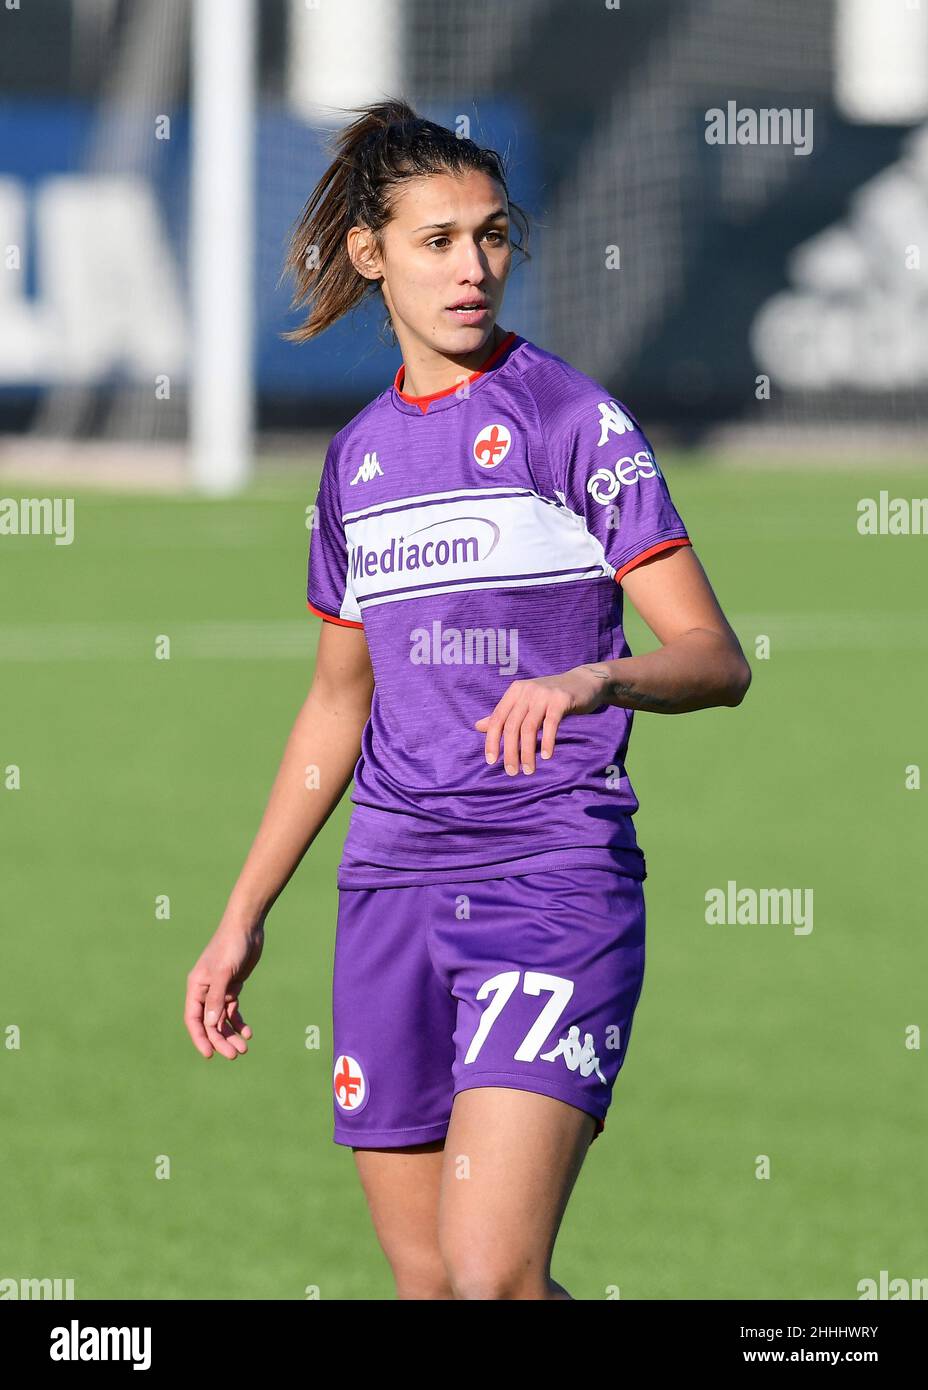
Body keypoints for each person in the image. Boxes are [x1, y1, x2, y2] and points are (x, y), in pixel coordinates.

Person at [184, 99, 752, 1301]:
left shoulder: (569, 419)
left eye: (491, 236)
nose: (473, 266)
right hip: (390, 887)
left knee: (495, 1275)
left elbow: (713, 655)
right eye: (437, 239)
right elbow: (339, 704)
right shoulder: (355, 463)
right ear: (369, 254)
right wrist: (242, 913)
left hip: (552, 879)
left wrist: (597, 673)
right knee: (433, 1285)